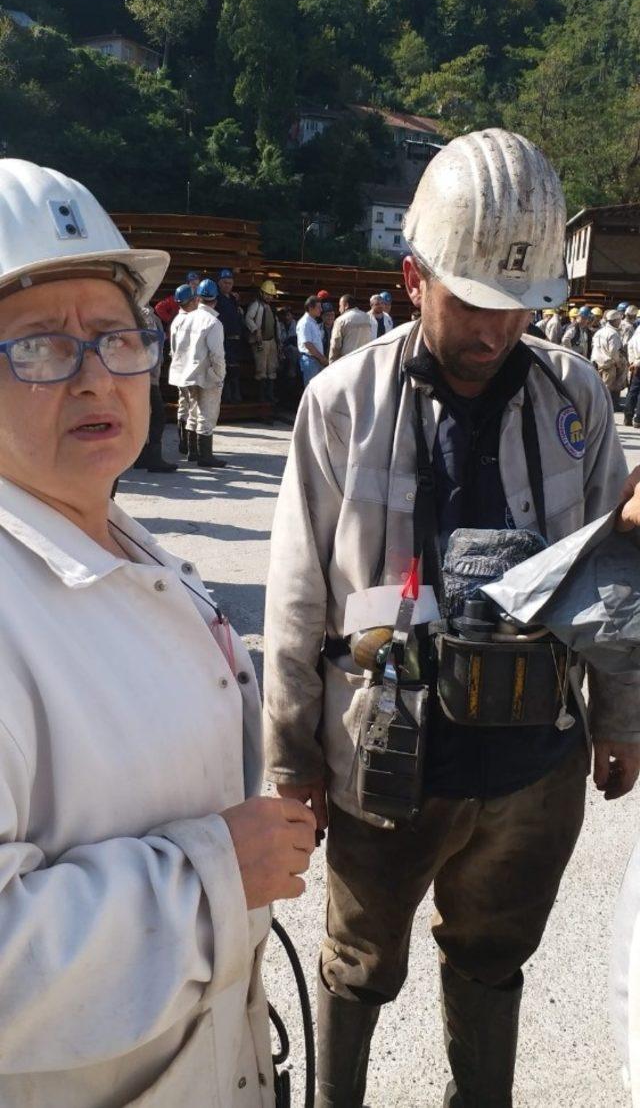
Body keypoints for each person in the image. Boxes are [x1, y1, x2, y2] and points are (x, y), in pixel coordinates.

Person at [262, 128, 640, 1108]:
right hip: (389, 760)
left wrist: (618, 715)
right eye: (473, 298)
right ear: (413, 273)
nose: (497, 327)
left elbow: (613, 569)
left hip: (533, 759)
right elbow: (300, 587)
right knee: (357, 960)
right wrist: (289, 758)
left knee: (492, 954)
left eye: (521, 304)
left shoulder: (576, 397)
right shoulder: (344, 401)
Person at [0, 157, 317, 1108]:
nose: (96, 376)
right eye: (41, 347)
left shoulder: (125, 543)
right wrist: (216, 876)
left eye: (114, 336)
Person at [169, 278, 227, 469]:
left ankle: (192, 452)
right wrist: (219, 376)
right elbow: (217, 355)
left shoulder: (185, 318)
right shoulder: (213, 323)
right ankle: (205, 456)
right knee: (207, 414)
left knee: (191, 412)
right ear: (215, 300)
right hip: (206, 374)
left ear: (198, 298)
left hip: (185, 374)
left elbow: (176, 348)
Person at [133, 303, 177, 474]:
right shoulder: (145, 314)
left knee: (145, 415)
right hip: (147, 375)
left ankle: (142, 456)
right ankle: (153, 457)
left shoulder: (139, 311)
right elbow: (149, 344)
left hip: (144, 373)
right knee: (157, 416)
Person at [170, 284, 198, 455]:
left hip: (178, 368)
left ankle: (183, 443)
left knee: (183, 405)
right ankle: (191, 446)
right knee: (193, 407)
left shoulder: (176, 321)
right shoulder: (190, 321)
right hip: (189, 369)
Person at [245, 280, 280, 404]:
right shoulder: (256, 305)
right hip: (260, 342)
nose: (269, 297)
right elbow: (248, 318)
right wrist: (255, 330)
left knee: (272, 368)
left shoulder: (272, 307)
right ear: (262, 293)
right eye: (267, 294)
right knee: (261, 369)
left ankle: (270, 395)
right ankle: (262, 396)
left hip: (271, 341)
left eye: (270, 295)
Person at [216, 268, 244, 404]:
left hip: (236, 338)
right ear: (219, 283)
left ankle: (235, 394)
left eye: (230, 283)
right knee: (224, 367)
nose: (227, 285)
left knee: (235, 367)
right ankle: (226, 395)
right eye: (225, 282)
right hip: (223, 339)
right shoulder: (216, 299)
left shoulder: (233, 299)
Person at [592, 309, 627, 406]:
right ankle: (603, 406)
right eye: (619, 320)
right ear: (615, 320)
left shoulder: (600, 331)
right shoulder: (613, 333)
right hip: (609, 364)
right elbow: (613, 351)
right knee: (607, 387)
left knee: (599, 385)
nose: (620, 322)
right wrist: (618, 363)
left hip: (597, 362)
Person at [328, 295, 374, 363]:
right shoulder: (368, 318)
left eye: (340, 306)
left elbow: (335, 345)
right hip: (364, 361)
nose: (339, 309)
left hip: (347, 362)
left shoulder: (340, 320)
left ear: (346, 305)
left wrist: (331, 362)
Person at [296, 295, 327, 387]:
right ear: (310, 308)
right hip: (310, 360)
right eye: (318, 307)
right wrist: (322, 358)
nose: (321, 310)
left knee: (316, 389)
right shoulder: (305, 323)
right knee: (311, 389)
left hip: (315, 360)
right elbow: (308, 345)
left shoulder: (312, 322)